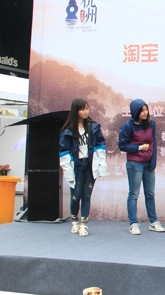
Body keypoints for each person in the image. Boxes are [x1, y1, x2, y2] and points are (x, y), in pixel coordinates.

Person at [59, 99, 108, 237]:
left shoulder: (93, 127)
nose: (86, 112)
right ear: (76, 111)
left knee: (86, 196)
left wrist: (101, 165)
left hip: (90, 164)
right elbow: (64, 152)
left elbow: (100, 146)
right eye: (82, 109)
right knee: (75, 196)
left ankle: (83, 224)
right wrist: (68, 170)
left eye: (87, 108)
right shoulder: (67, 130)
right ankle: (74, 221)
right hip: (76, 165)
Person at [119, 99, 165, 235]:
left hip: (148, 163)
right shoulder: (127, 126)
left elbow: (154, 143)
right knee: (134, 194)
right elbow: (122, 145)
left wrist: (153, 162)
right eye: (141, 110)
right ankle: (133, 223)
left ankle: (154, 222)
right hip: (135, 163)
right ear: (135, 112)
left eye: (146, 110)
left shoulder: (152, 123)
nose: (145, 113)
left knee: (150, 193)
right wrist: (139, 147)